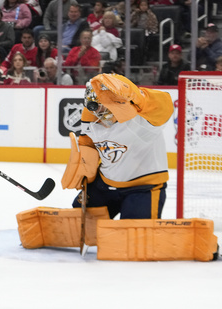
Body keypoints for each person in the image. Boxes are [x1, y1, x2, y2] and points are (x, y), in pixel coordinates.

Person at [62, 73, 173, 220]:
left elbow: (165, 103)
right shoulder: (90, 114)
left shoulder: (144, 117)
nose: (103, 113)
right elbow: (89, 141)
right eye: (100, 108)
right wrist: (85, 166)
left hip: (144, 188)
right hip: (105, 185)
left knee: (134, 236)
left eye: (110, 106)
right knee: (78, 219)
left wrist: (139, 96)